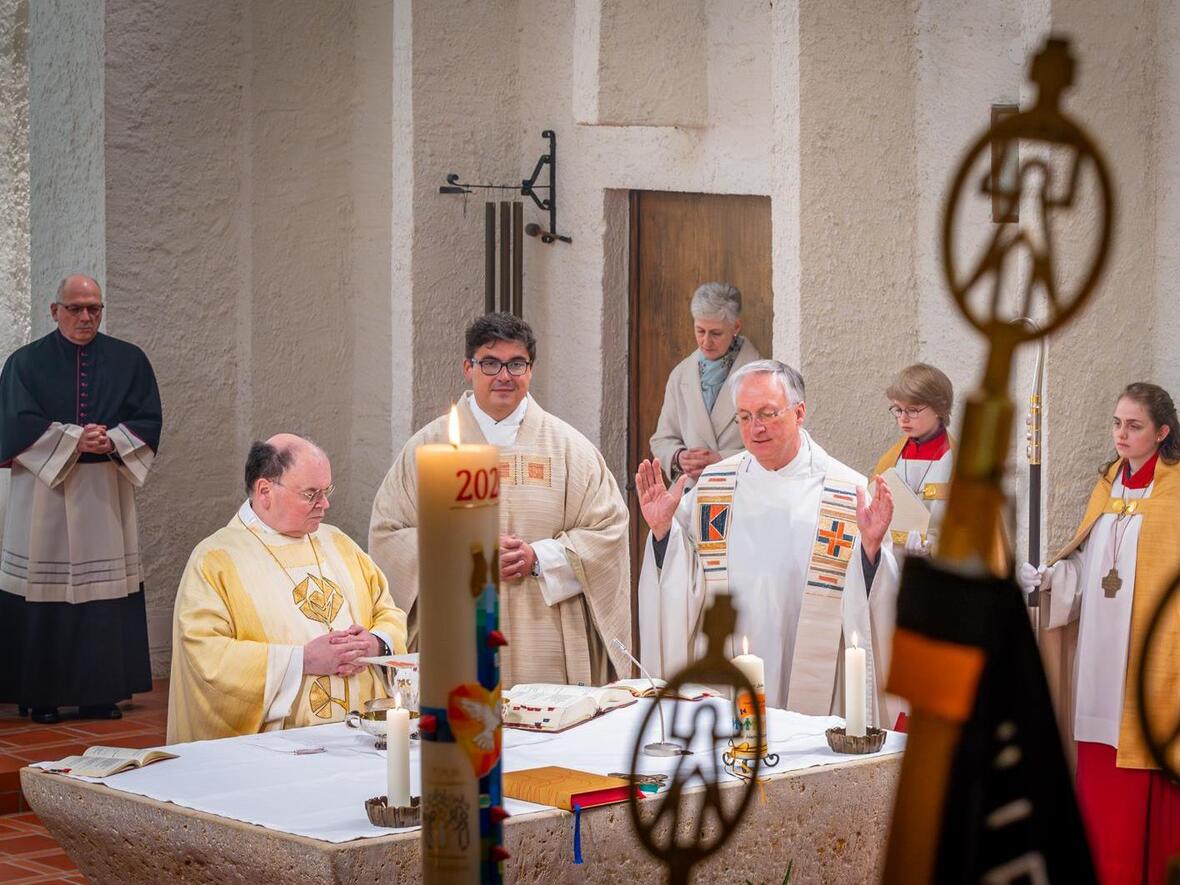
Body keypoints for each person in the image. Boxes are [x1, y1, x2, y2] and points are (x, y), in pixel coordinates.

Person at [370, 312, 631, 687]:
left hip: (545, 636)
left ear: (531, 370)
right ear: (468, 367)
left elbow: (608, 531)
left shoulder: (569, 450)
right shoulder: (428, 448)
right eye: (490, 363)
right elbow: (388, 535)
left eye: (516, 364)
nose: (504, 375)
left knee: (545, 733)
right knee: (463, 741)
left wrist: (538, 558)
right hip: (457, 632)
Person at [637, 359, 901, 726]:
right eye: (743, 417)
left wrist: (871, 550)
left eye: (767, 414)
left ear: (800, 412)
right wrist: (664, 532)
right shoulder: (714, 487)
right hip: (727, 671)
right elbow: (682, 581)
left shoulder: (845, 490)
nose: (755, 428)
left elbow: (872, 602)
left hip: (811, 668)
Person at [1019, 382, 1180, 885]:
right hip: (1100, 656)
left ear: (1162, 432)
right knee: (1099, 766)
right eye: (1116, 423)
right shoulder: (1108, 485)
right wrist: (1052, 579)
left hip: (1151, 655)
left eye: (1133, 425)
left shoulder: (1175, 493)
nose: (1120, 435)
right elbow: (1091, 565)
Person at [167, 434, 407, 743]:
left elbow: (387, 609)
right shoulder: (216, 560)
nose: (325, 504)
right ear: (265, 491)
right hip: (277, 750)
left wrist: (375, 643)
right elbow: (205, 656)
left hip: (362, 735)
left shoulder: (338, 543)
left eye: (327, 491)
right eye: (311, 494)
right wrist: (301, 660)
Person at [0, 275, 160, 725]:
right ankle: (41, 694)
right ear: (55, 311)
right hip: (43, 494)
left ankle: (100, 693)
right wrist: (72, 440)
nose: (85, 316)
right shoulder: (24, 363)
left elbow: (148, 418)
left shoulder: (130, 361)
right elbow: (13, 422)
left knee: (102, 595)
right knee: (43, 590)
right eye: (75, 308)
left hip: (103, 491)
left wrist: (110, 441)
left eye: (94, 308)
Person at [650, 282, 760, 486]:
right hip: (690, 495)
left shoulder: (761, 375)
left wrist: (721, 461)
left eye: (716, 333)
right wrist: (678, 457)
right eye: (700, 331)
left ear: (735, 327)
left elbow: (775, 444)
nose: (706, 342)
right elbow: (661, 439)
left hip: (742, 492)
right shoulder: (681, 374)